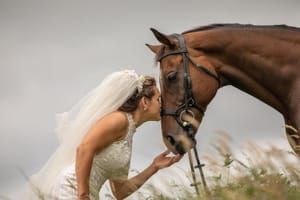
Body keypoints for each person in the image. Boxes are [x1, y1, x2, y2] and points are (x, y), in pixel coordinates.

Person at [24, 69, 182, 200]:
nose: (162, 105)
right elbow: (84, 149)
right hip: (72, 189)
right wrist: (83, 194)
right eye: (158, 99)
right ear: (145, 102)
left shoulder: (128, 133)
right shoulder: (118, 120)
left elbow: (120, 191)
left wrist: (155, 166)